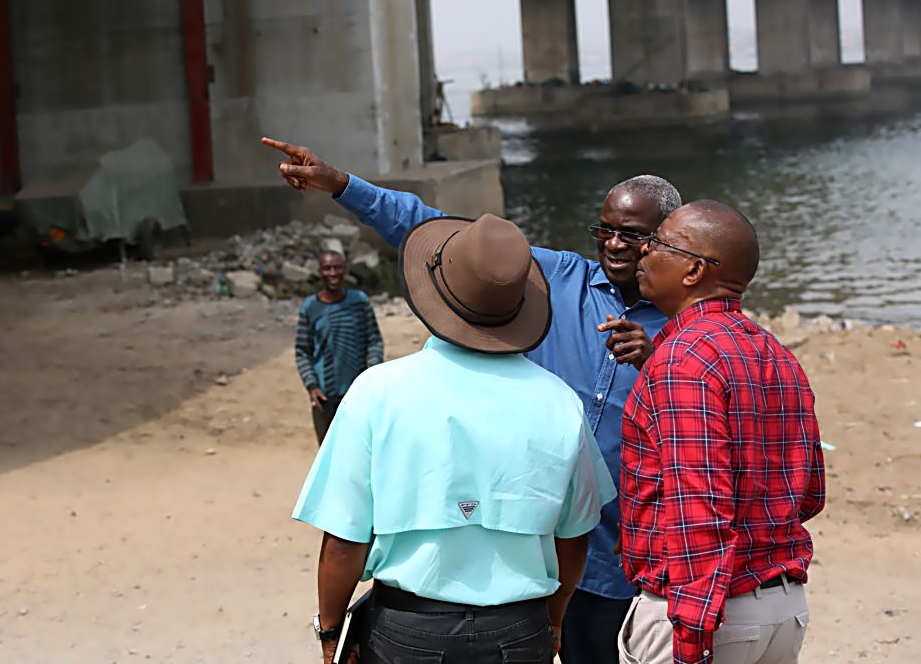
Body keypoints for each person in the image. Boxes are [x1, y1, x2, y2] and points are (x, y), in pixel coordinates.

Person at [263, 136, 678, 663]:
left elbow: (710, 431)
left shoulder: (684, 329)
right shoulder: (554, 276)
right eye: (605, 231)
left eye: (632, 235)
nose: (614, 245)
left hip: (620, 563)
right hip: (539, 561)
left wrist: (660, 360)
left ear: (668, 241)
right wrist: (342, 185)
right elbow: (442, 234)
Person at [292, 213, 617, 664]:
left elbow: (344, 542)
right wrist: (555, 620)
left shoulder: (377, 391)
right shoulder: (559, 401)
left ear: (434, 295)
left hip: (407, 630)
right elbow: (575, 536)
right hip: (519, 631)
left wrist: (330, 630)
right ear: (520, 304)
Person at [618, 200, 826, 664]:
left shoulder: (681, 360)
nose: (643, 252)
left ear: (693, 271)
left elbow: (699, 514)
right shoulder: (776, 354)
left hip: (707, 615)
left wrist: (691, 642)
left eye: (657, 242)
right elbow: (808, 494)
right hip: (780, 606)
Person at [294, 250, 383, 444]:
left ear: (345, 271)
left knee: (359, 451)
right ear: (320, 272)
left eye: (337, 267)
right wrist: (312, 386)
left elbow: (374, 341)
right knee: (328, 455)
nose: (332, 273)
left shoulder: (359, 302)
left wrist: (371, 376)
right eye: (327, 268)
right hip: (324, 397)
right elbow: (302, 351)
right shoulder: (310, 308)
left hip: (357, 394)